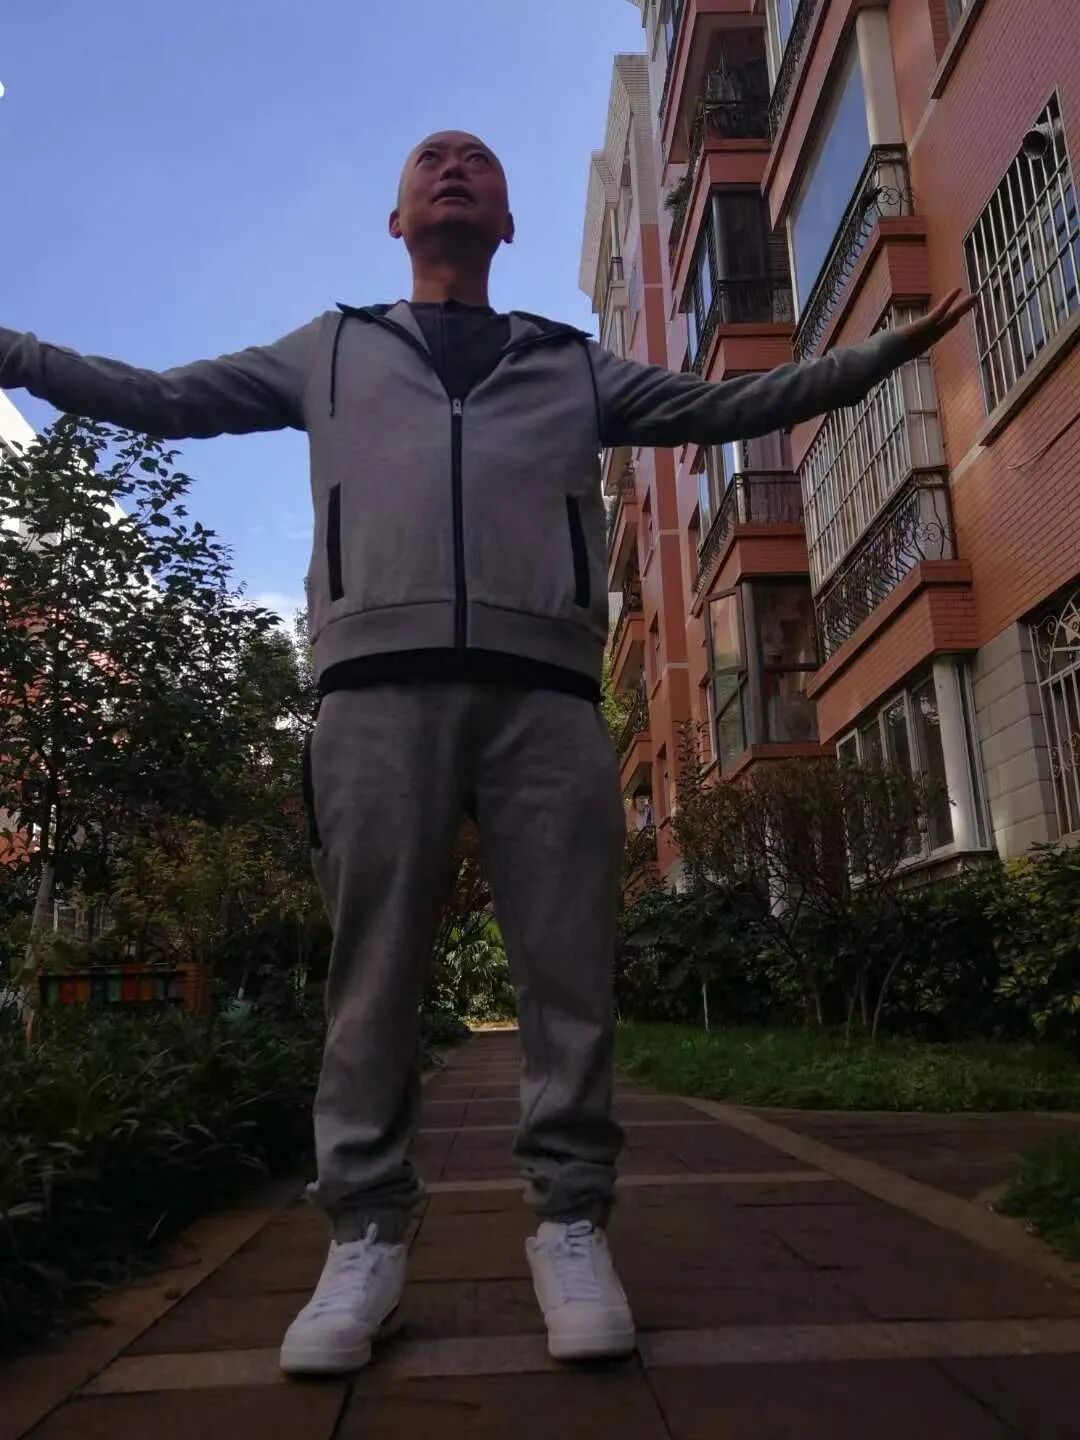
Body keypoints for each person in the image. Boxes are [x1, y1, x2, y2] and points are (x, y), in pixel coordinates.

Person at [0, 131, 976, 1375]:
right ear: (396, 218)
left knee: (569, 973)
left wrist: (875, 359)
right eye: (430, 161)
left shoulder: (568, 363)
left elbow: (731, 404)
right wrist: (15, 354)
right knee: (372, 977)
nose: (455, 168)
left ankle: (571, 1226)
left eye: (479, 161)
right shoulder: (331, 349)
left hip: (546, 696)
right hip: (373, 692)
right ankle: (365, 1239)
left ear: (508, 223)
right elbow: (162, 397)